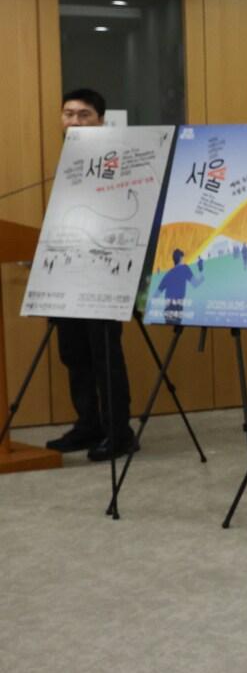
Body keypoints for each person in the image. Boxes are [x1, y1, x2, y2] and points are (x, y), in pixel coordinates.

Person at [44, 88, 139, 462]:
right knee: (73, 353)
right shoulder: (68, 160)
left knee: (104, 356)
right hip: (68, 274)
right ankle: (89, 425)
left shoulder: (120, 160)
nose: (75, 121)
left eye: (84, 115)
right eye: (68, 114)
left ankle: (119, 433)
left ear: (101, 120)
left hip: (105, 275)